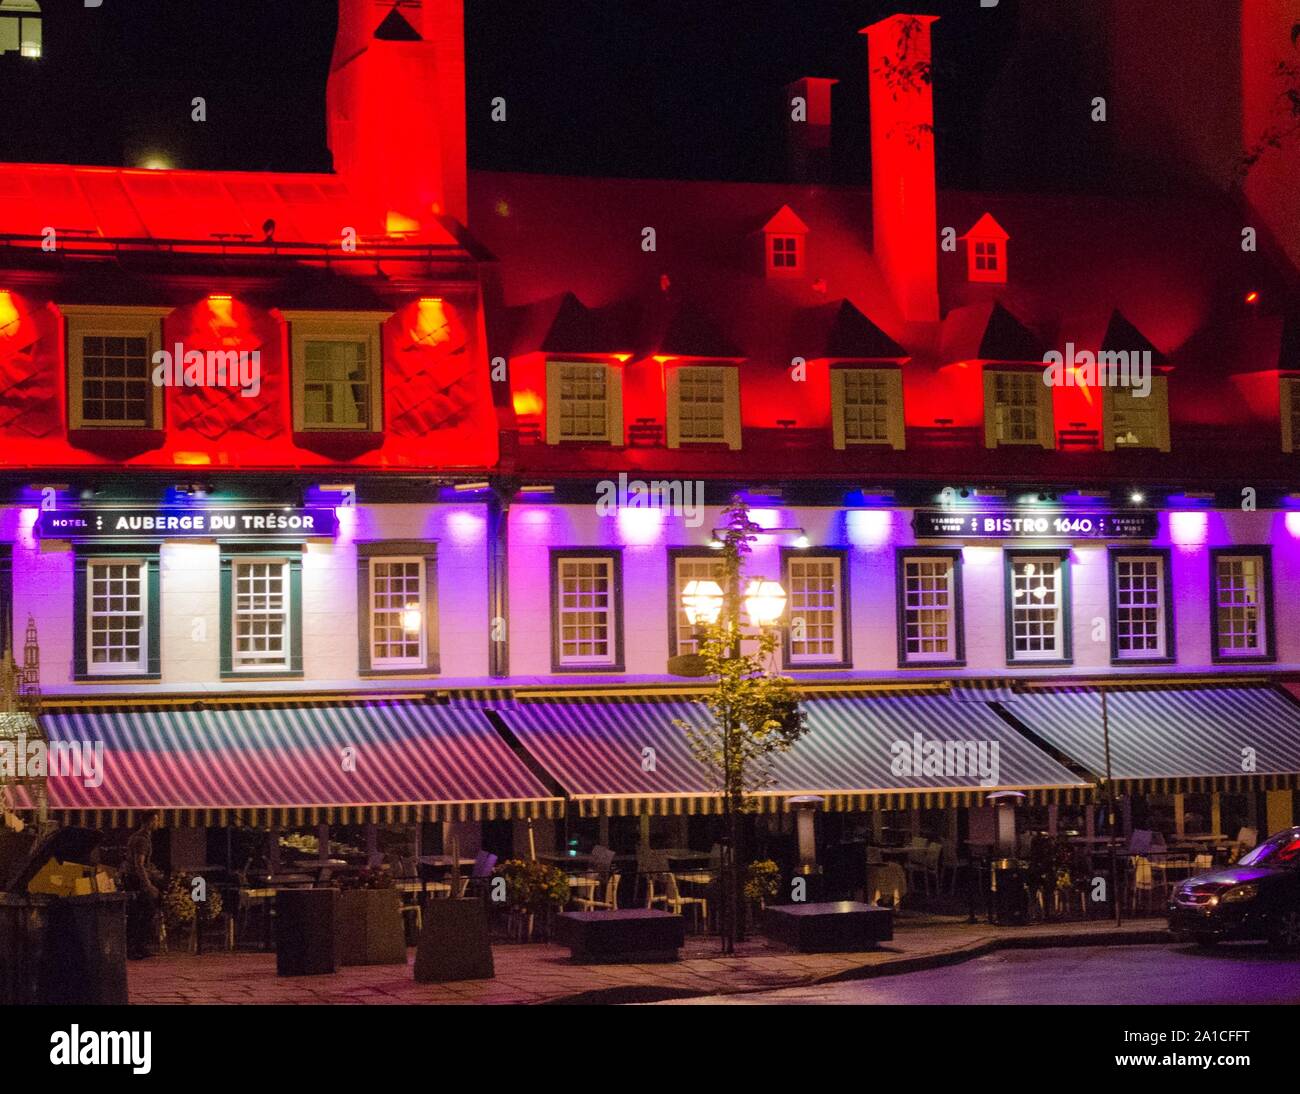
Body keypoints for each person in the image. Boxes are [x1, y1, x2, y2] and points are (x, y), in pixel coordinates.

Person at [124, 811, 163, 960]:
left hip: (132, 879)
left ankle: (137, 947)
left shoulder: (137, 837)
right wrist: (148, 885)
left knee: (138, 913)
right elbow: (139, 864)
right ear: (150, 821)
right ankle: (135, 946)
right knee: (144, 912)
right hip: (136, 881)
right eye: (156, 821)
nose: (158, 823)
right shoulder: (142, 840)